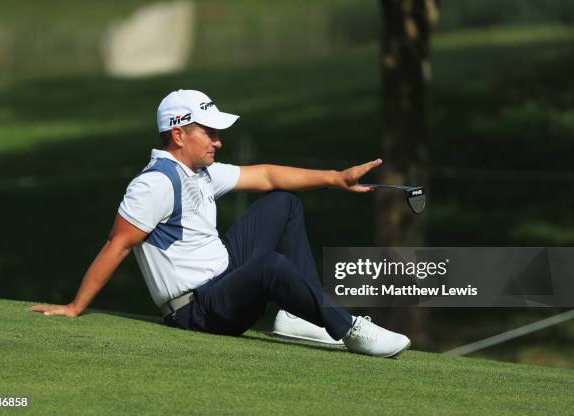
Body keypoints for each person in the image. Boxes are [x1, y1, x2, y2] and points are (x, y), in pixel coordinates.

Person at [27, 89, 410, 358]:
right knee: (271, 267)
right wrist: (76, 306)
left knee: (283, 204)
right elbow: (118, 244)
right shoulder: (157, 183)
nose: (218, 142)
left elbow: (267, 177)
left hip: (223, 277)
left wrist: (335, 178)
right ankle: (348, 329)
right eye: (209, 133)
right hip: (196, 311)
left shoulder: (199, 172)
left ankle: (295, 315)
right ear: (179, 135)